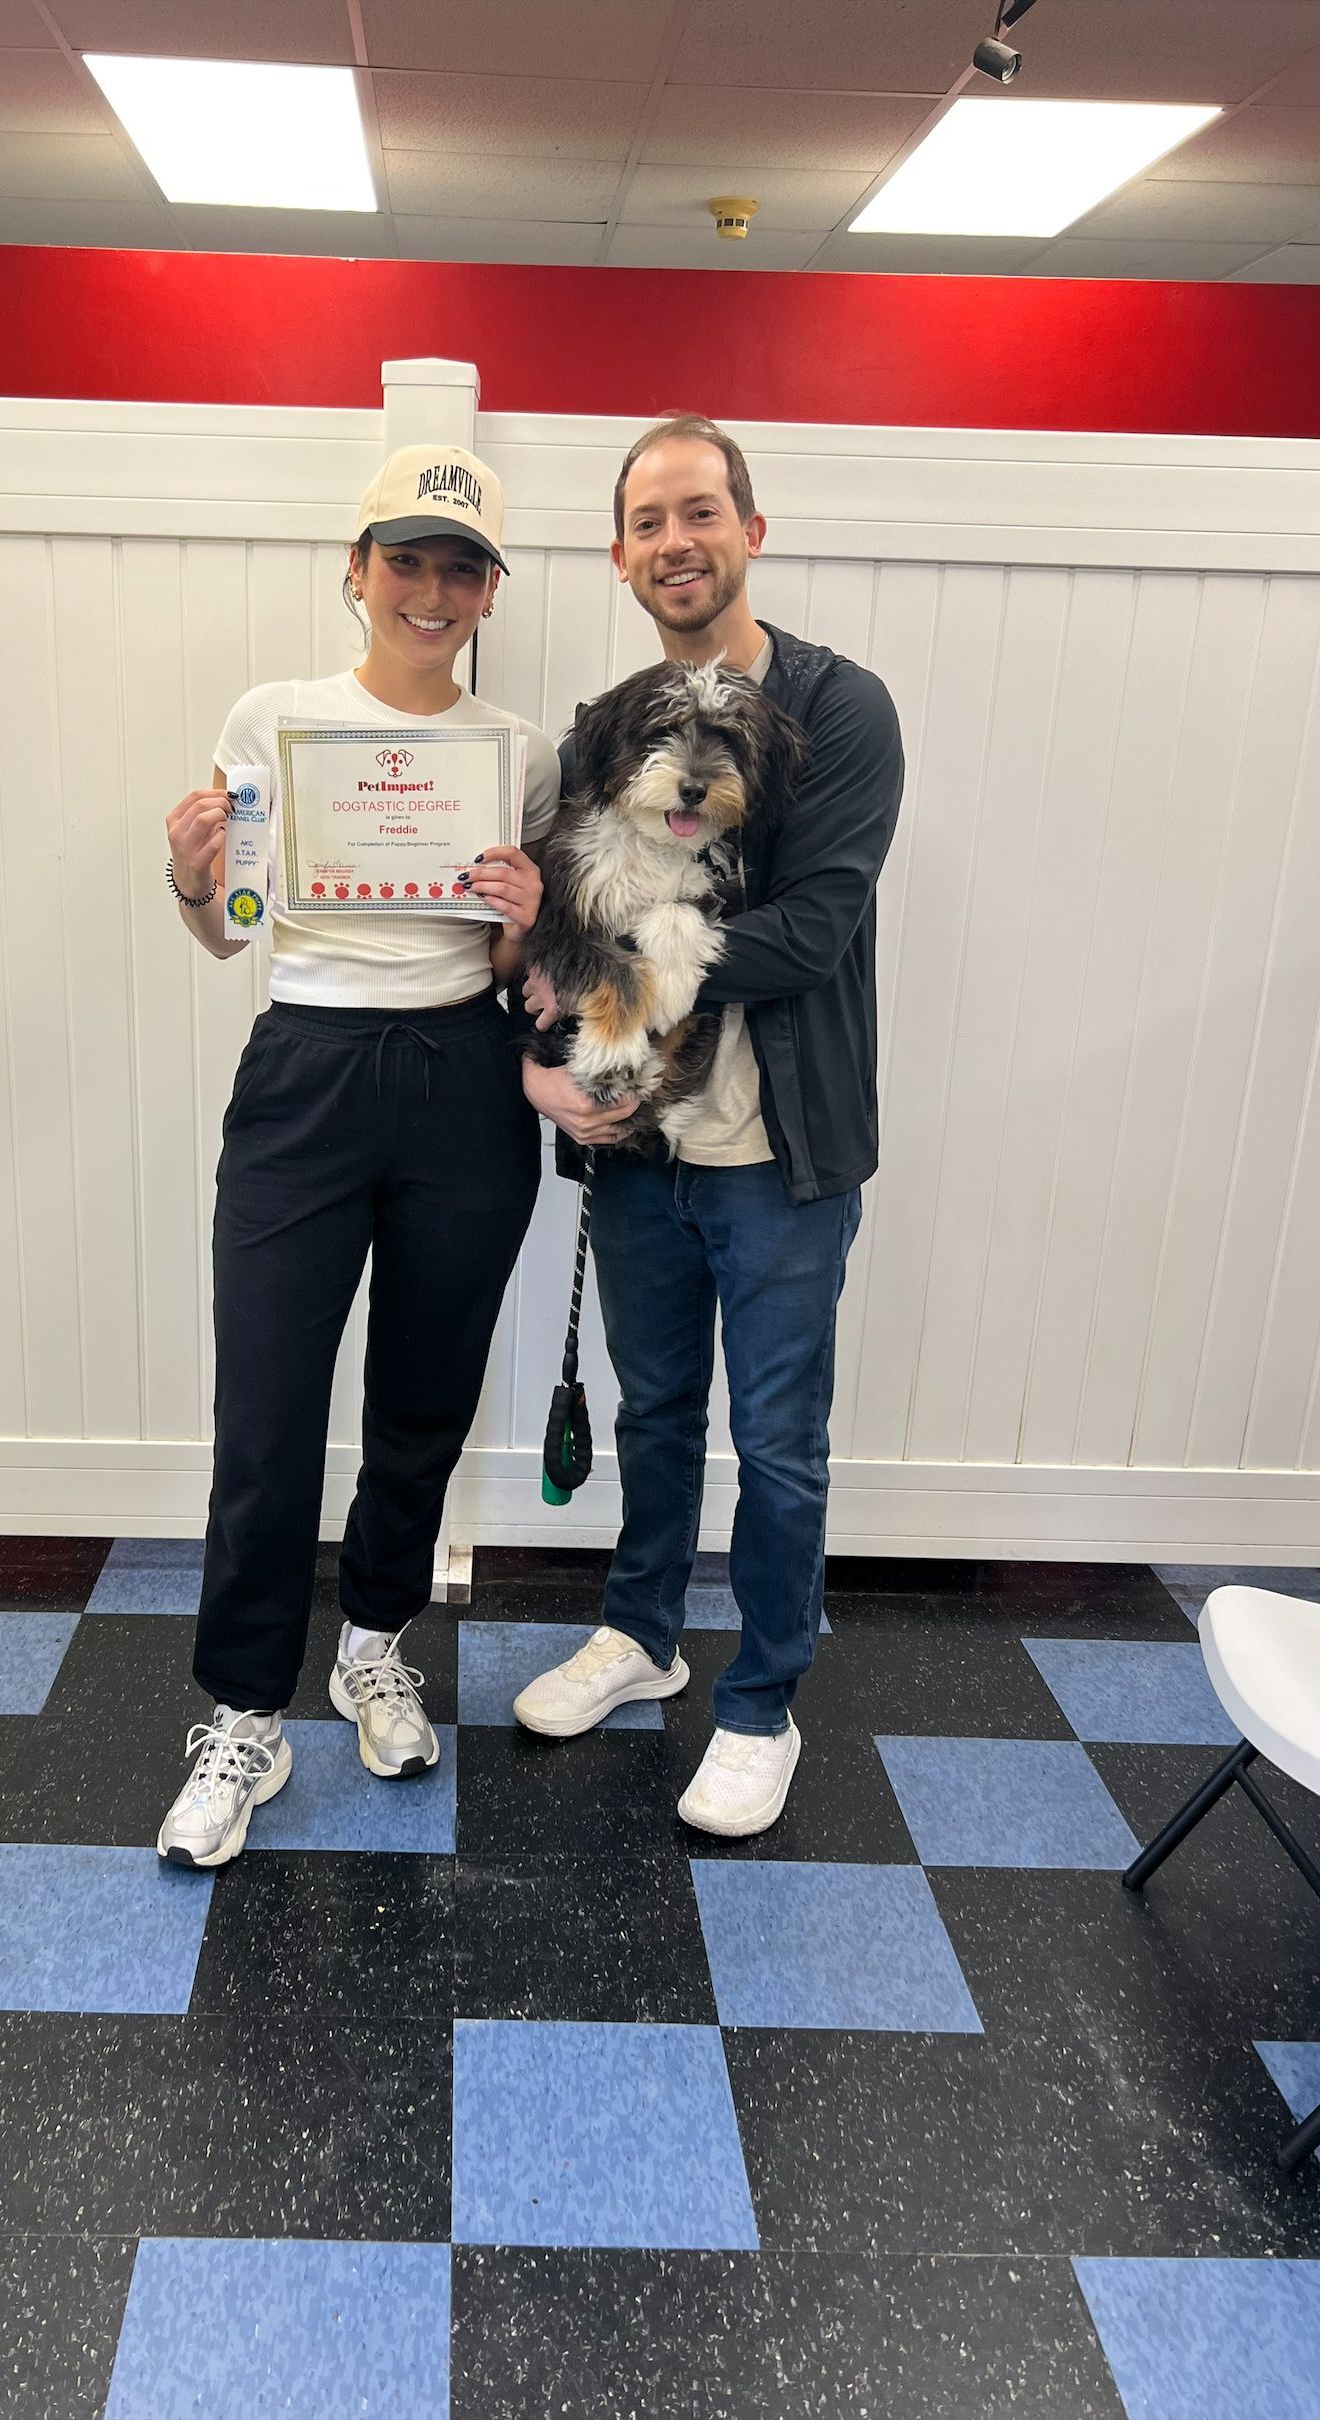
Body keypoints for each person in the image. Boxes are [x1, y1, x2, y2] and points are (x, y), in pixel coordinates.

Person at [158, 443, 557, 1868]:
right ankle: (243, 1715)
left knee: (421, 1399)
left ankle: (375, 1645)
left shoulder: (521, 753)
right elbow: (227, 930)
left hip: (461, 1081)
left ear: (489, 591)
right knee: (264, 1415)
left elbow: (526, 974)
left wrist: (522, 922)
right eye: (407, 560)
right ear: (355, 571)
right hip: (307, 1070)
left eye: (461, 568)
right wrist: (197, 872)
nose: (432, 590)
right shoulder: (276, 716)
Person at [514, 413, 904, 1838]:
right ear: (620, 555)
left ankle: (761, 1705)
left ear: (751, 526)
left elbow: (809, 929)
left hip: (779, 1154)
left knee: (781, 1441)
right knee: (654, 1410)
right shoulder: (603, 726)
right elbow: (553, 932)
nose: (676, 541)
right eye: (648, 521)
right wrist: (547, 1058)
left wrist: (649, 955)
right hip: (640, 1153)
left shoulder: (839, 708)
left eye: (701, 511)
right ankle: (643, 1636)